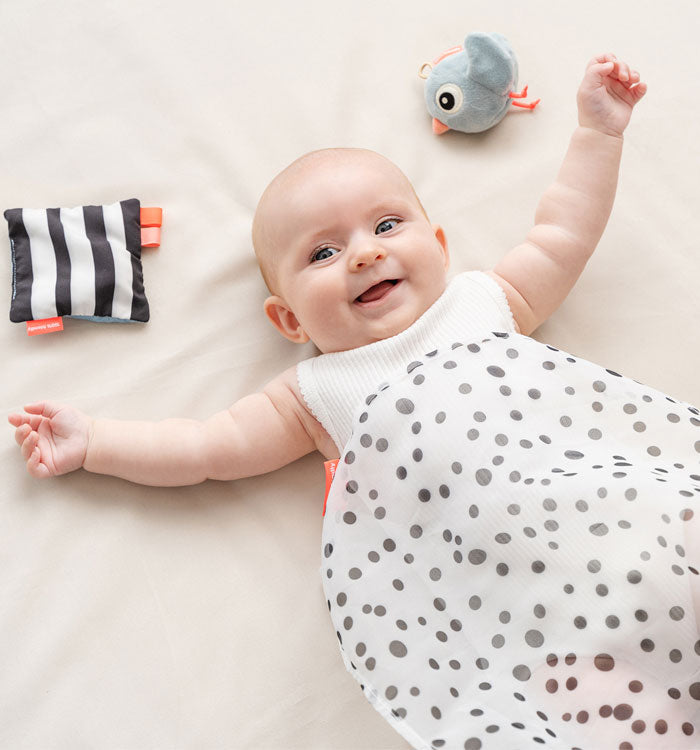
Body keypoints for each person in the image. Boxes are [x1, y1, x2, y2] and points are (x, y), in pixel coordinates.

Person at [13, 54, 699, 749]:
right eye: (322, 254)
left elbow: (564, 232)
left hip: (610, 515)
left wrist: (598, 134)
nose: (363, 255)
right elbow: (204, 449)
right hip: (508, 603)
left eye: (386, 226)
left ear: (438, 245)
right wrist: (95, 442)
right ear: (290, 323)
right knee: (582, 701)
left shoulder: (485, 301)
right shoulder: (316, 392)